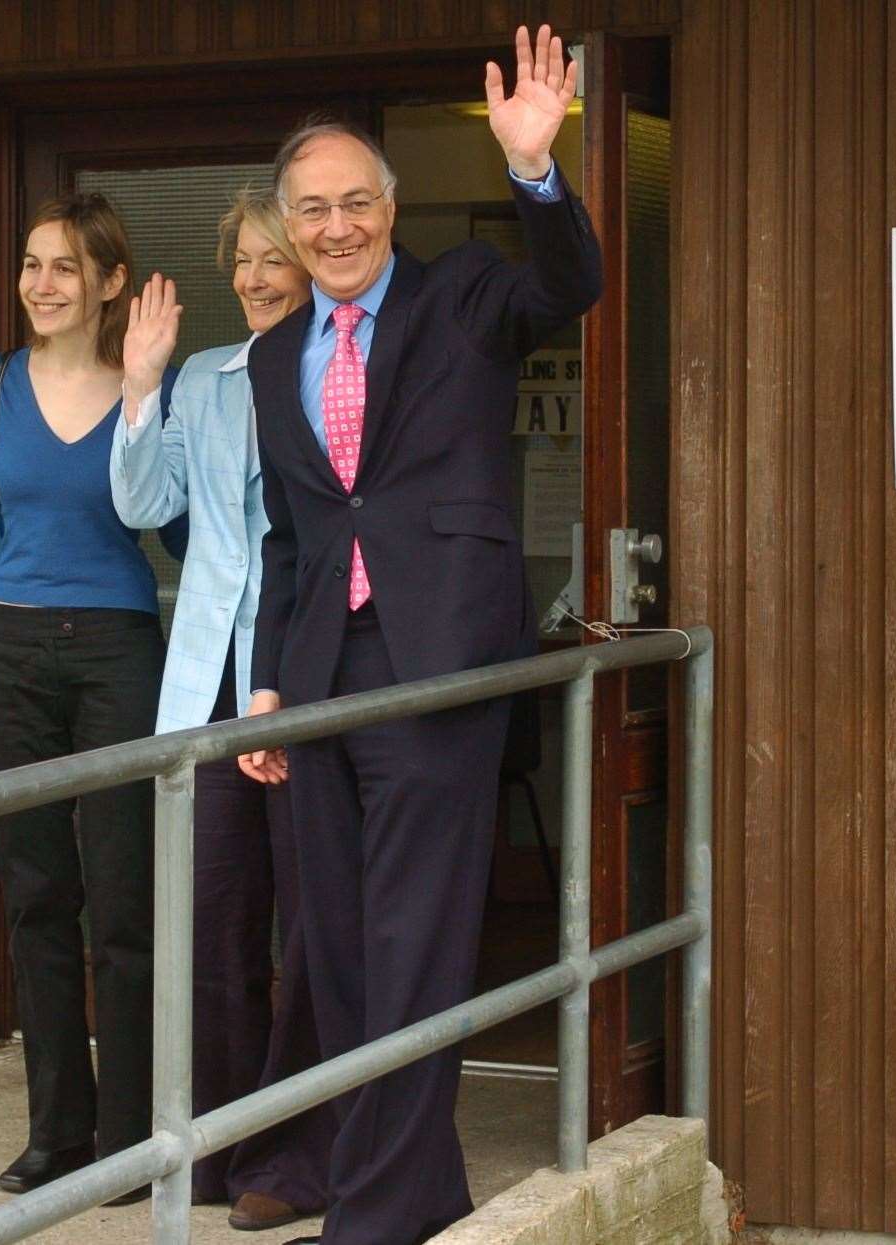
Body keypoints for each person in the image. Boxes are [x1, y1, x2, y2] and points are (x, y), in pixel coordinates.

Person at [235, 26, 602, 1245]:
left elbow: (570, 285)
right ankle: (395, 1171)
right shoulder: (272, 353)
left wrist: (534, 169)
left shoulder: (466, 296)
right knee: (333, 943)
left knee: (410, 941)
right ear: (285, 229)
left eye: (355, 204)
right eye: (311, 211)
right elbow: (292, 536)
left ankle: (383, 1211)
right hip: (323, 677)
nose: (335, 228)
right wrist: (270, 689)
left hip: (437, 664)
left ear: (388, 210)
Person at [0, 190, 182, 1199]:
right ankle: (55, 1128)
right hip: (13, 650)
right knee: (37, 894)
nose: (41, 284)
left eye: (64, 268)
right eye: (32, 265)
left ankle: (129, 1135)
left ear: (109, 284)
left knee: (123, 901)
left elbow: (171, 528)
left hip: (120, 648)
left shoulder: (146, 386)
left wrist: (142, 393)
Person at [108, 192, 334, 1231]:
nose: (253, 276)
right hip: (205, 682)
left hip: (300, 682)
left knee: (309, 924)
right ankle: (213, 1140)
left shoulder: (341, 372)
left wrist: (278, 684)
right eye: (241, 259)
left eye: (273, 255)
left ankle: (293, 1153)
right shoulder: (205, 379)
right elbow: (146, 506)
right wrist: (143, 384)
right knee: (213, 923)